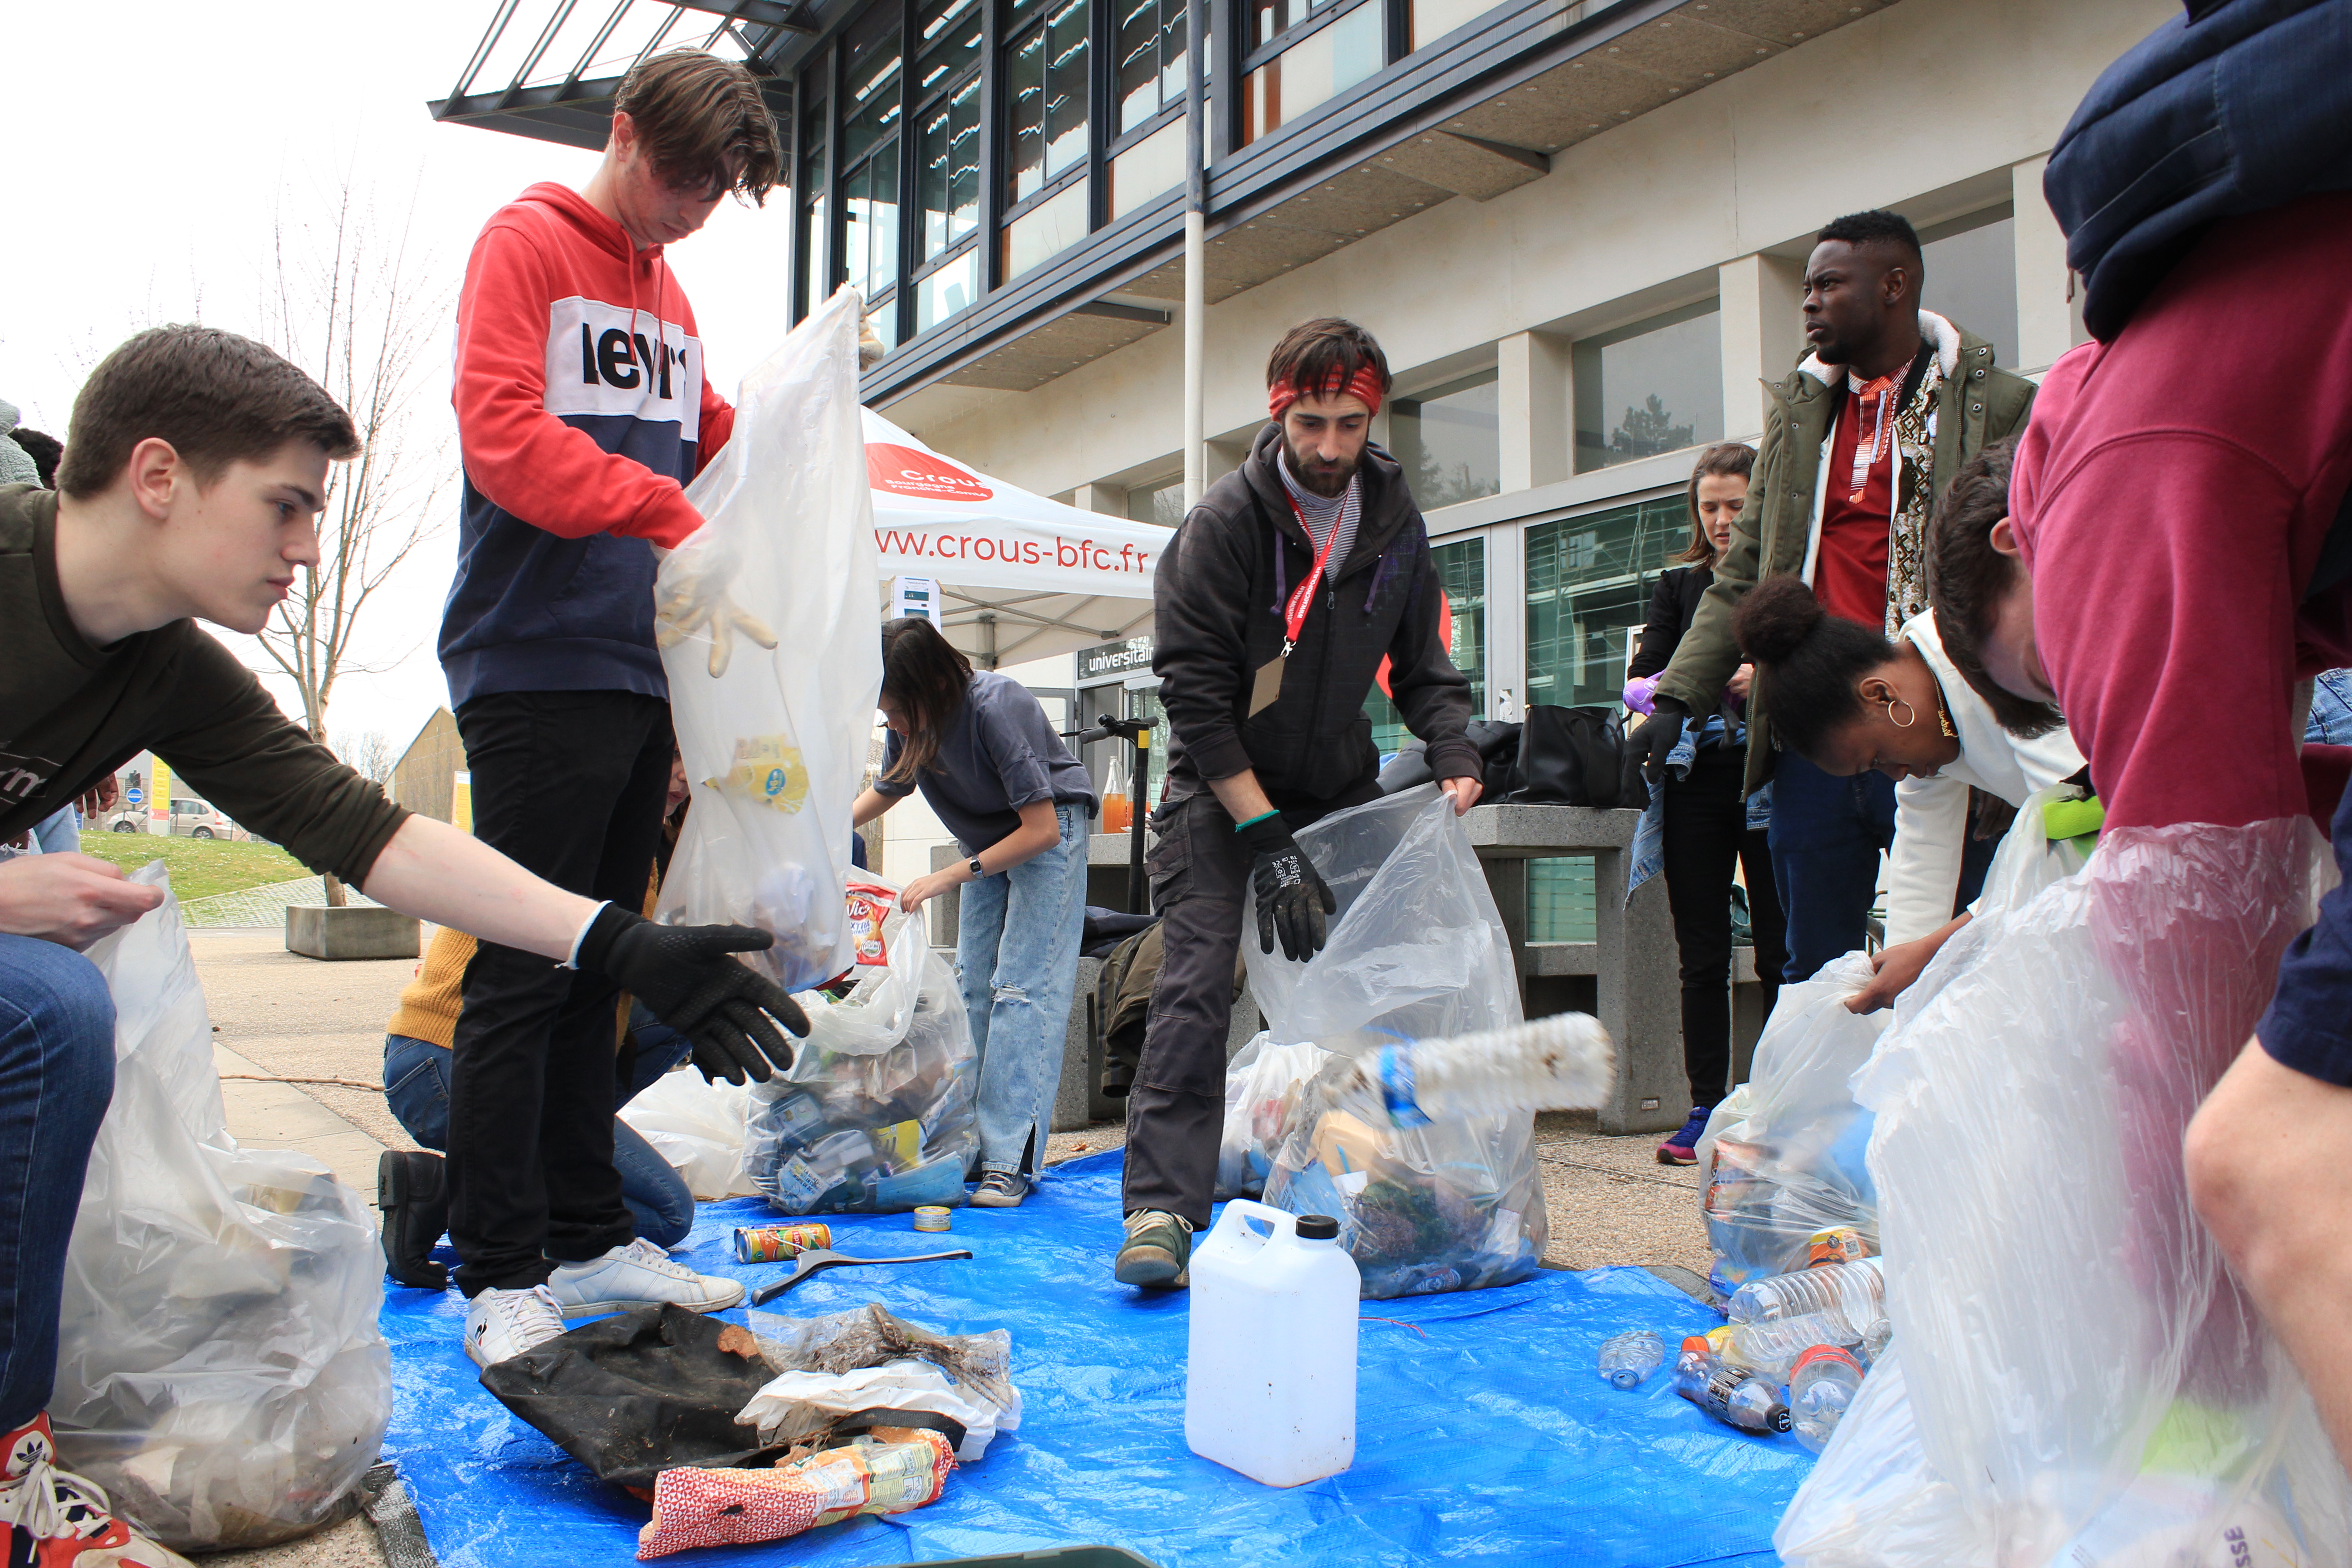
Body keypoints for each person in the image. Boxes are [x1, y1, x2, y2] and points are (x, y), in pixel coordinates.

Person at [0, 324, 804, 1567]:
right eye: (285, 507)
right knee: (49, 1005)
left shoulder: (167, 672)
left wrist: (618, 941)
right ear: (157, 477)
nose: (308, 550)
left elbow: (376, 835)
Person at [437, 49, 786, 1359]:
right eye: (686, 178)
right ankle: (499, 1272)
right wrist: (665, 509)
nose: (696, 208)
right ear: (626, 134)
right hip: (533, 656)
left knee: (602, 977)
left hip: (642, 668)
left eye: (720, 192)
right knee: (524, 970)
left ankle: (588, 1239)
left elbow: (714, 442)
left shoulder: (675, 295)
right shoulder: (527, 244)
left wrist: (796, 439)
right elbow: (502, 436)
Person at [1119, 317, 1483, 1289]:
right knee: (1196, 985)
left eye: (1350, 425)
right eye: (1311, 424)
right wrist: (1262, 832)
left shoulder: (1396, 521)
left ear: (1376, 417)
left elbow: (1424, 663)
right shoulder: (1226, 525)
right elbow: (1194, 700)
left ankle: (1399, 1182)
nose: (1329, 449)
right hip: (1220, 789)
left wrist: (1452, 747)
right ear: (1280, 413)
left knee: (1389, 982)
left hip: (1335, 786)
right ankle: (1161, 1207)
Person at [1642, 210, 2037, 985]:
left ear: (1893, 286)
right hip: (1815, 733)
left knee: (1959, 952)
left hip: (1935, 719)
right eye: (1804, 287)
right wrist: (1676, 698)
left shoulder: (1997, 405)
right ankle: (1822, 1102)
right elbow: (1743, 570)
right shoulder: (1799, 417)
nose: (1808, 303)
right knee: (1811, 957)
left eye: (1827, 284)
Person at [376, 753, 704, 1290]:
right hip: (449, 1063)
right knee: (666, 1216)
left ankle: (480, 1183)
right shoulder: (590, 829)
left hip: (454, 1063)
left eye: (693, 756)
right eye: (668, 755)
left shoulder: (658, 845)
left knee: (688, 1009)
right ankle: (455, 1197)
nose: (683, 774)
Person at [1726, 542, 2082, 1018]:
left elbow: (2085, 836)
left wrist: (1937, 948)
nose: (1895, 776)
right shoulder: (1929, 713)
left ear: (1880, 695)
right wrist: (1897, 1006)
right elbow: (1922, 861)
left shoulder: (2000, 657)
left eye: (1876, 759)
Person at [850, 617, 1098, 1207]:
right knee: (971, 992)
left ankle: (1009, 1160)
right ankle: (969, 1145)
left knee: (1023, 990)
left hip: (1048, 833)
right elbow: (891, 786)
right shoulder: (910, 722)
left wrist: (947, 878)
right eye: (889, 716)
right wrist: (822, 834)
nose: (897, 726)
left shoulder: (995, 704)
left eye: (900, 712)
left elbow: (1038, 829)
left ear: (932, 687)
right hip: (985, 843)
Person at [1623, 443, 1788, 1165]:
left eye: (1735, 505)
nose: (1722, 521)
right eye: (1710, 507)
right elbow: (1638, 682)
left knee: (1785, 947)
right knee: (1702, 950)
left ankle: (1783, 1103)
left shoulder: (1787, 577)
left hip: (1774, 777)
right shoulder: (1680, 586)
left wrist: (1769, 678)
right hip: (1695, 780)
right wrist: (1700, 680)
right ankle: (1705, 1106)